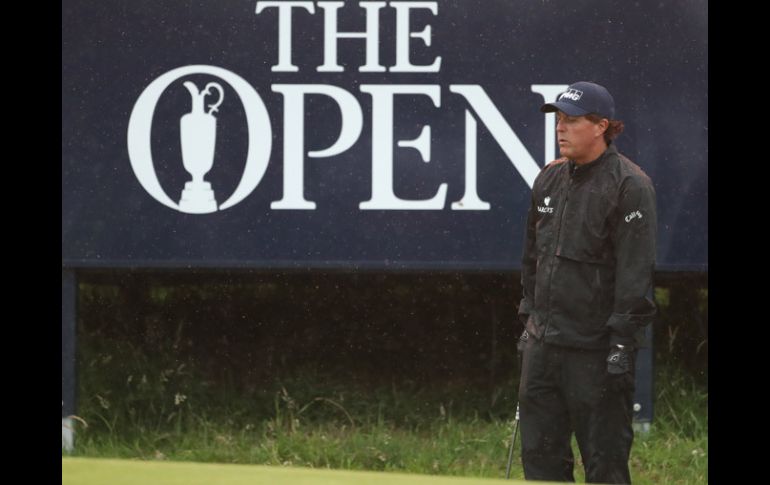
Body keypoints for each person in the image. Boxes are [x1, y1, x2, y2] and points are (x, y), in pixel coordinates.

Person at [516, 81, 657, 484]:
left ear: (601, 126)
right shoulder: (548, 180)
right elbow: (532, 261)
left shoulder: (630, 185)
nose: (561, 128)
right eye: (558, 119)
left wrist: (619, 345)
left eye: (572, 120)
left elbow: (635, 274)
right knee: (540, 463)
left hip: (596, 353)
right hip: (543, 349)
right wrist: (528, 324)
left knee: (605, 465)